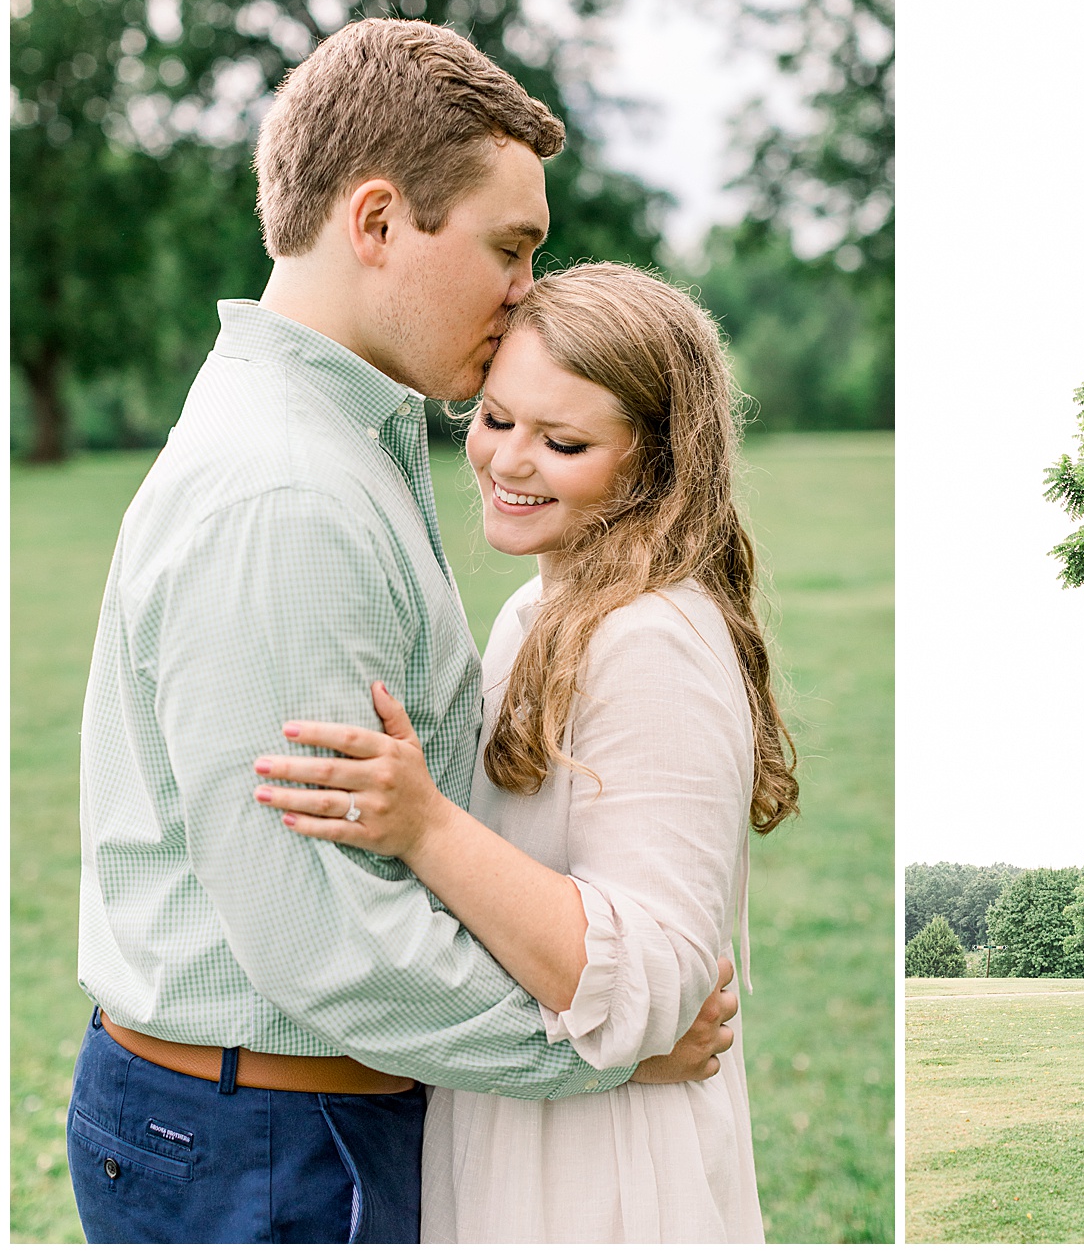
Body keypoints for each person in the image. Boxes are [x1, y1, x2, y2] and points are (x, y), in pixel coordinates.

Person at [68, 19, 729, 1245]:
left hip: (280, 1123)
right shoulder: (288, 494)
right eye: (510, 247)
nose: (529, 287)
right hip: (265, 1147)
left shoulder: (350, 438)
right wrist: (607, 1042)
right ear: (376, 223)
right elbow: (321, 941)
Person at [253, 262, 795, 1241]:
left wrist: (424, 825)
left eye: (565, 441)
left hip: (601, 1175)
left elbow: (657, 983)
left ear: (654, 461)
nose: (508, 460)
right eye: (497, 418)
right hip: (524, 1119)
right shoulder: (536, 608)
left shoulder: (648, 637)